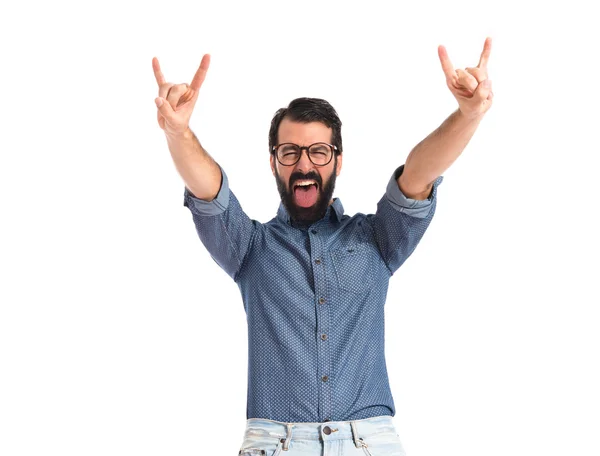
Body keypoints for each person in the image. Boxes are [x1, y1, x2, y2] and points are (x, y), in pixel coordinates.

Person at [152, 37, 493, 456]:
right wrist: (178, 131)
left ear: (338, 159)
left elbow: (418, 175)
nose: (304, 164)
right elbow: (208, 190)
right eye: (290, 152)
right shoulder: (249, 248)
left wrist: (468, 115)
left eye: (318, 151)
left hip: (369, 440)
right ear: (273, 161)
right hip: (275, 442)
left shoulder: (377, 239)